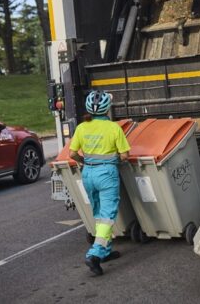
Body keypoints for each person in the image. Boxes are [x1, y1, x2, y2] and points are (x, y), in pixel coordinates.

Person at [69, 90, 131, 276]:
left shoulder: (81, 128)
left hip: (88, 174)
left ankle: (105, 250)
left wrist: (86, 162)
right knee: (107, 215)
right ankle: (94, 255)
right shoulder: (114, 128)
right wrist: (115, 161)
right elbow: (125, 155)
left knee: (98, 213)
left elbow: (72, 154)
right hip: (106, 174)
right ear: (107, 109)